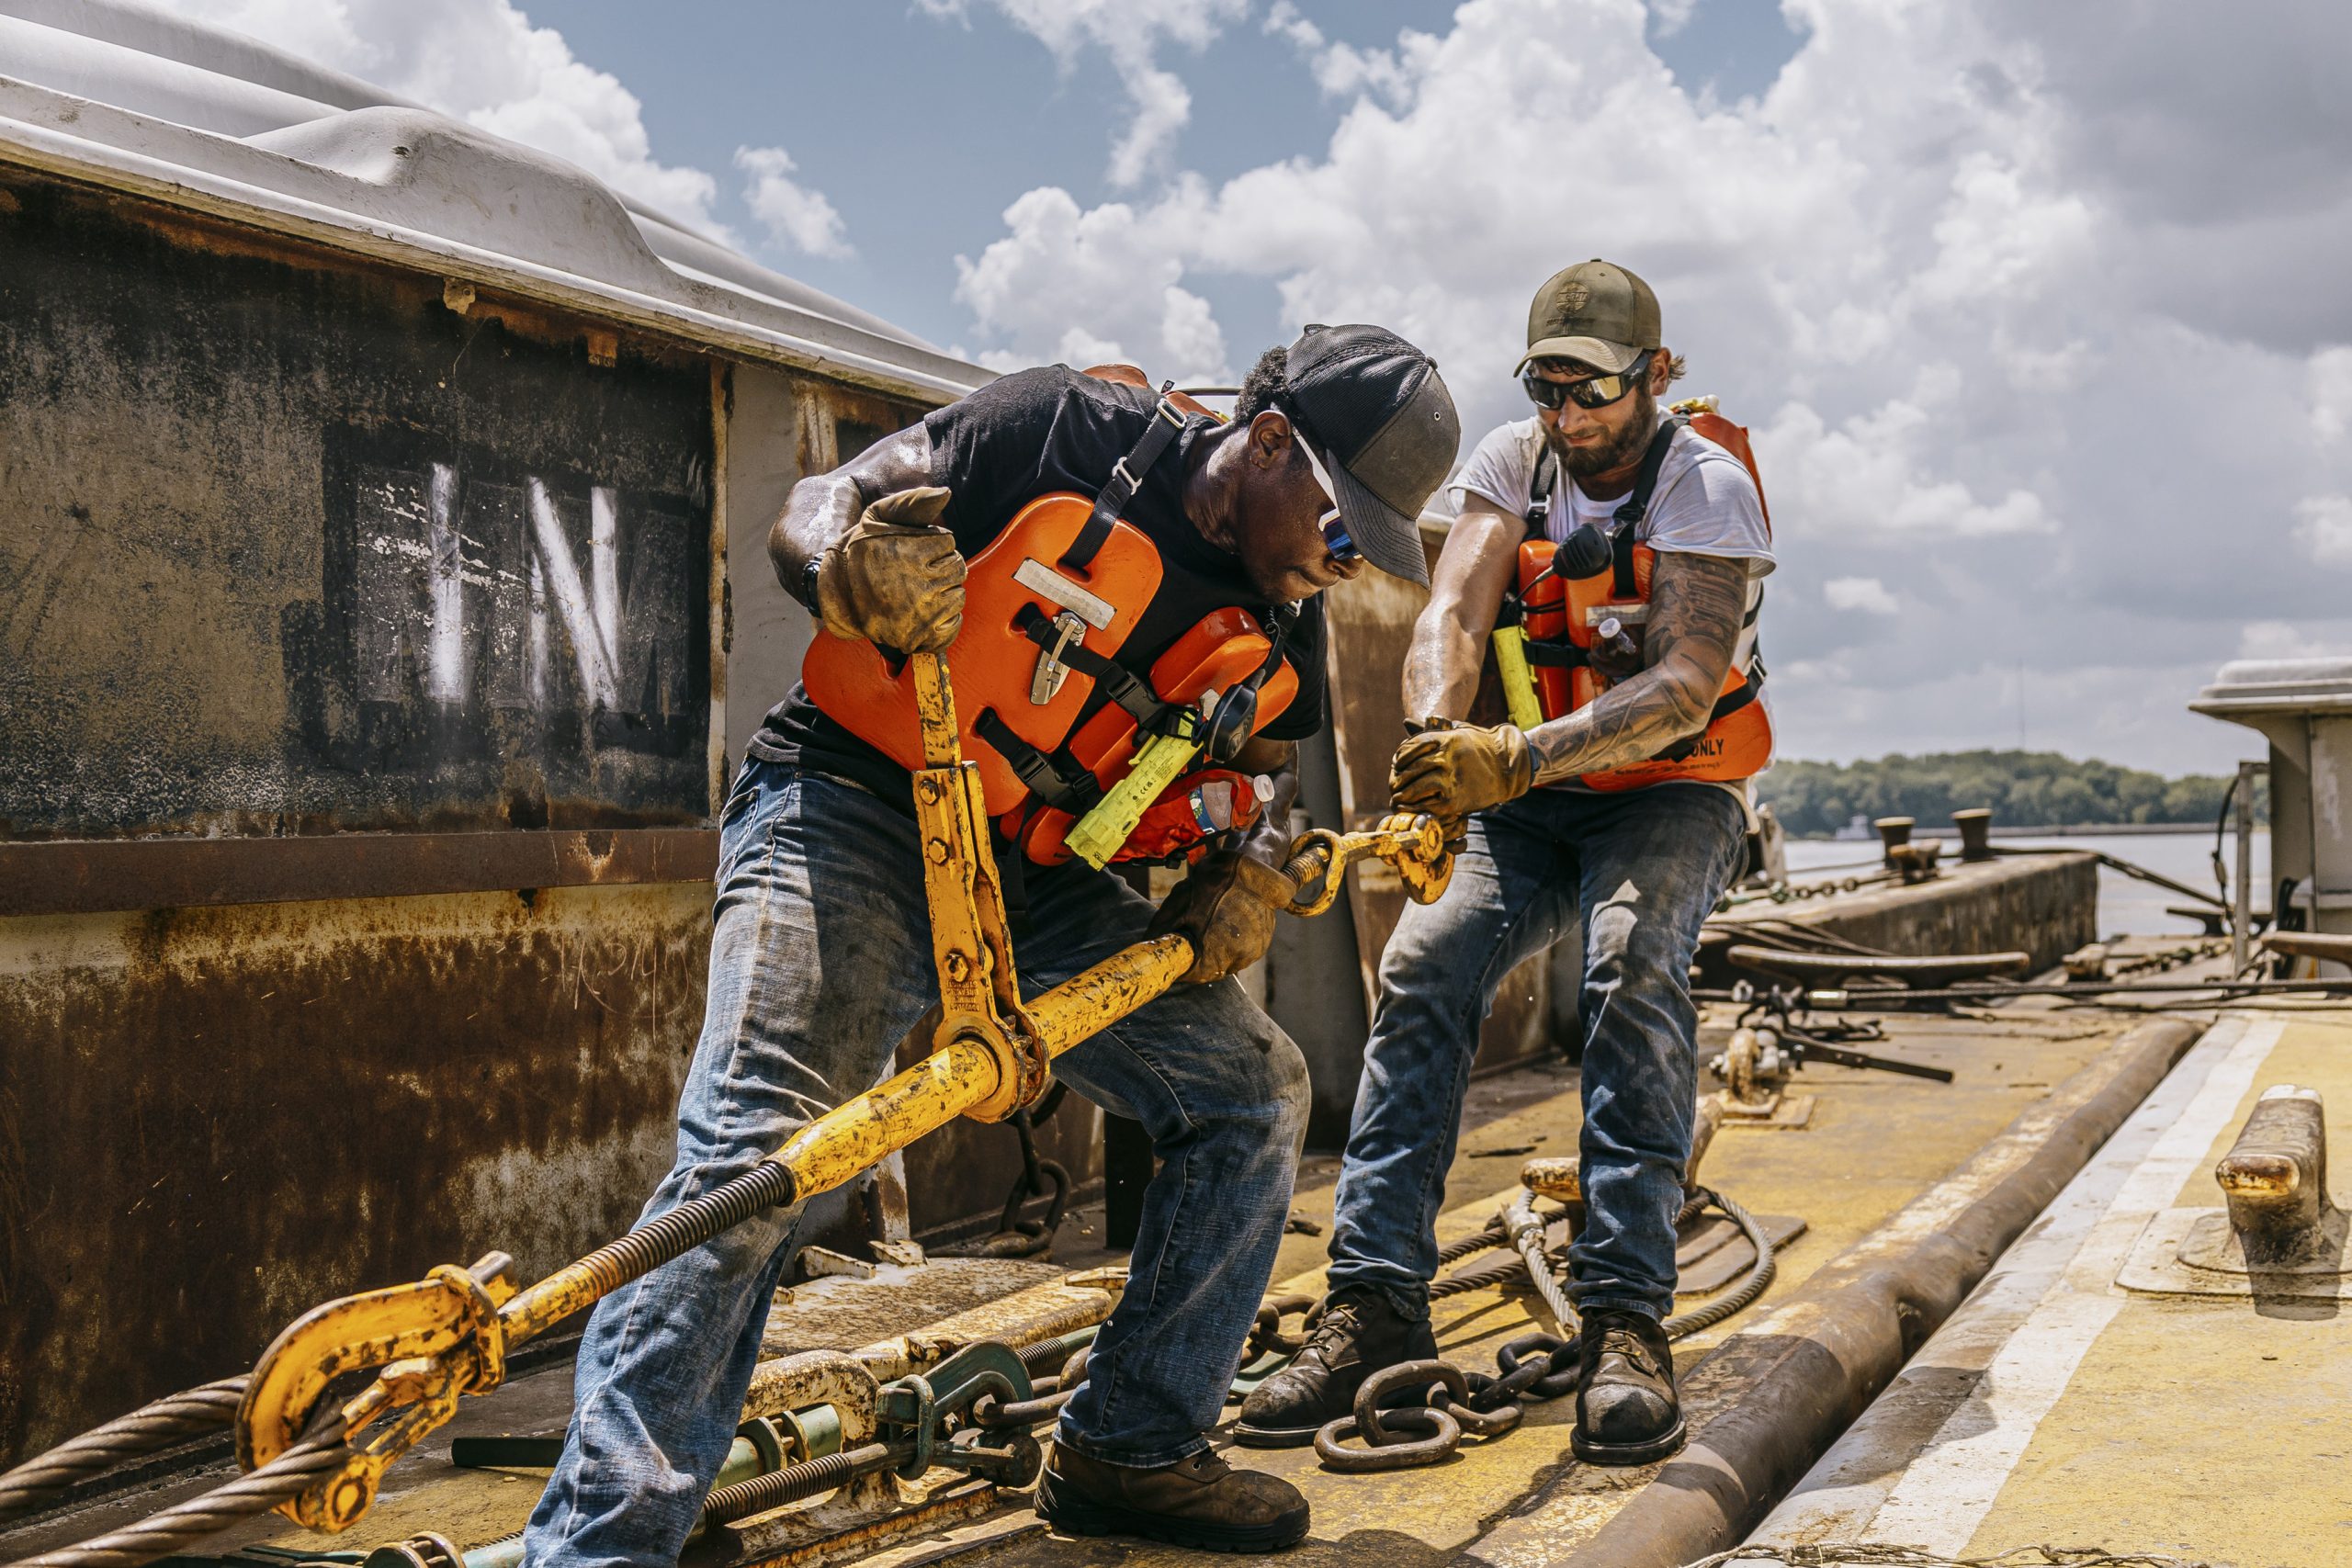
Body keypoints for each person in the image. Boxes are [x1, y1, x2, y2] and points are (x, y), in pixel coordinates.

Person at [523, 325, 1459, 1562]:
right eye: (1343, 530)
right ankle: (603, 1545)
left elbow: (1256, 777)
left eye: (1371, 554)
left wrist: (1245, 872)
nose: (1347, 567)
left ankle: (1130, 1445)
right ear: (1273, 442)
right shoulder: (1064, 429)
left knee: (1252, 1090)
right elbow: (820, 504)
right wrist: (849, 563)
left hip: (1035, 875)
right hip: (854, 802)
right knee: (761, 1156)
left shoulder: (1276, 625)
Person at [1238, 262, 1772, 1465]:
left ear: (1655, 376)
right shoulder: (1513, 464)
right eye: (1548, 385)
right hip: (1529, 804)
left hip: (1668, 794)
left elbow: (1686, 688)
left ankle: (1628, 1317)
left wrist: (1514, 756)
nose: (1571, 414)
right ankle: (1372, 1304)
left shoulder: (1707, 487)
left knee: (1631, 973)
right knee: (1424, 967)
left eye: (1595, 387)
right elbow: (1454, 617)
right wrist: (1437, 739)